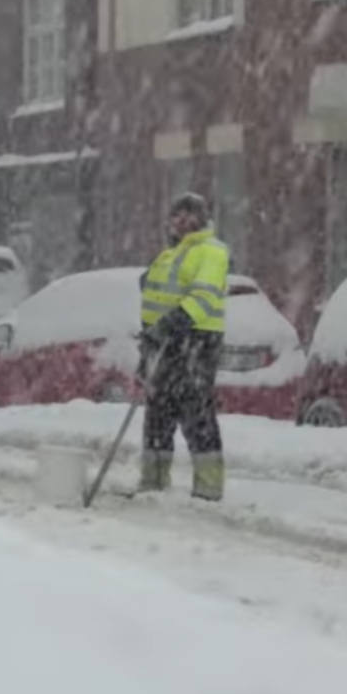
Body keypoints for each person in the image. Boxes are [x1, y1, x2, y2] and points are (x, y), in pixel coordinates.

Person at [135, 191, 230, 501]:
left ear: (203, 220)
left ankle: (208, 488)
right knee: (158, 413)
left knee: (196, 413)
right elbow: (157, 298)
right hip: (162, 342)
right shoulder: (170, 254)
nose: (182, 221)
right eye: (177, 215)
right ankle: (153, 482)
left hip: (195, 340)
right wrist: (150, 340)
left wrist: (171, 324)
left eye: (190, 215)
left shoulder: (211, 251)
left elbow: (203, 298)